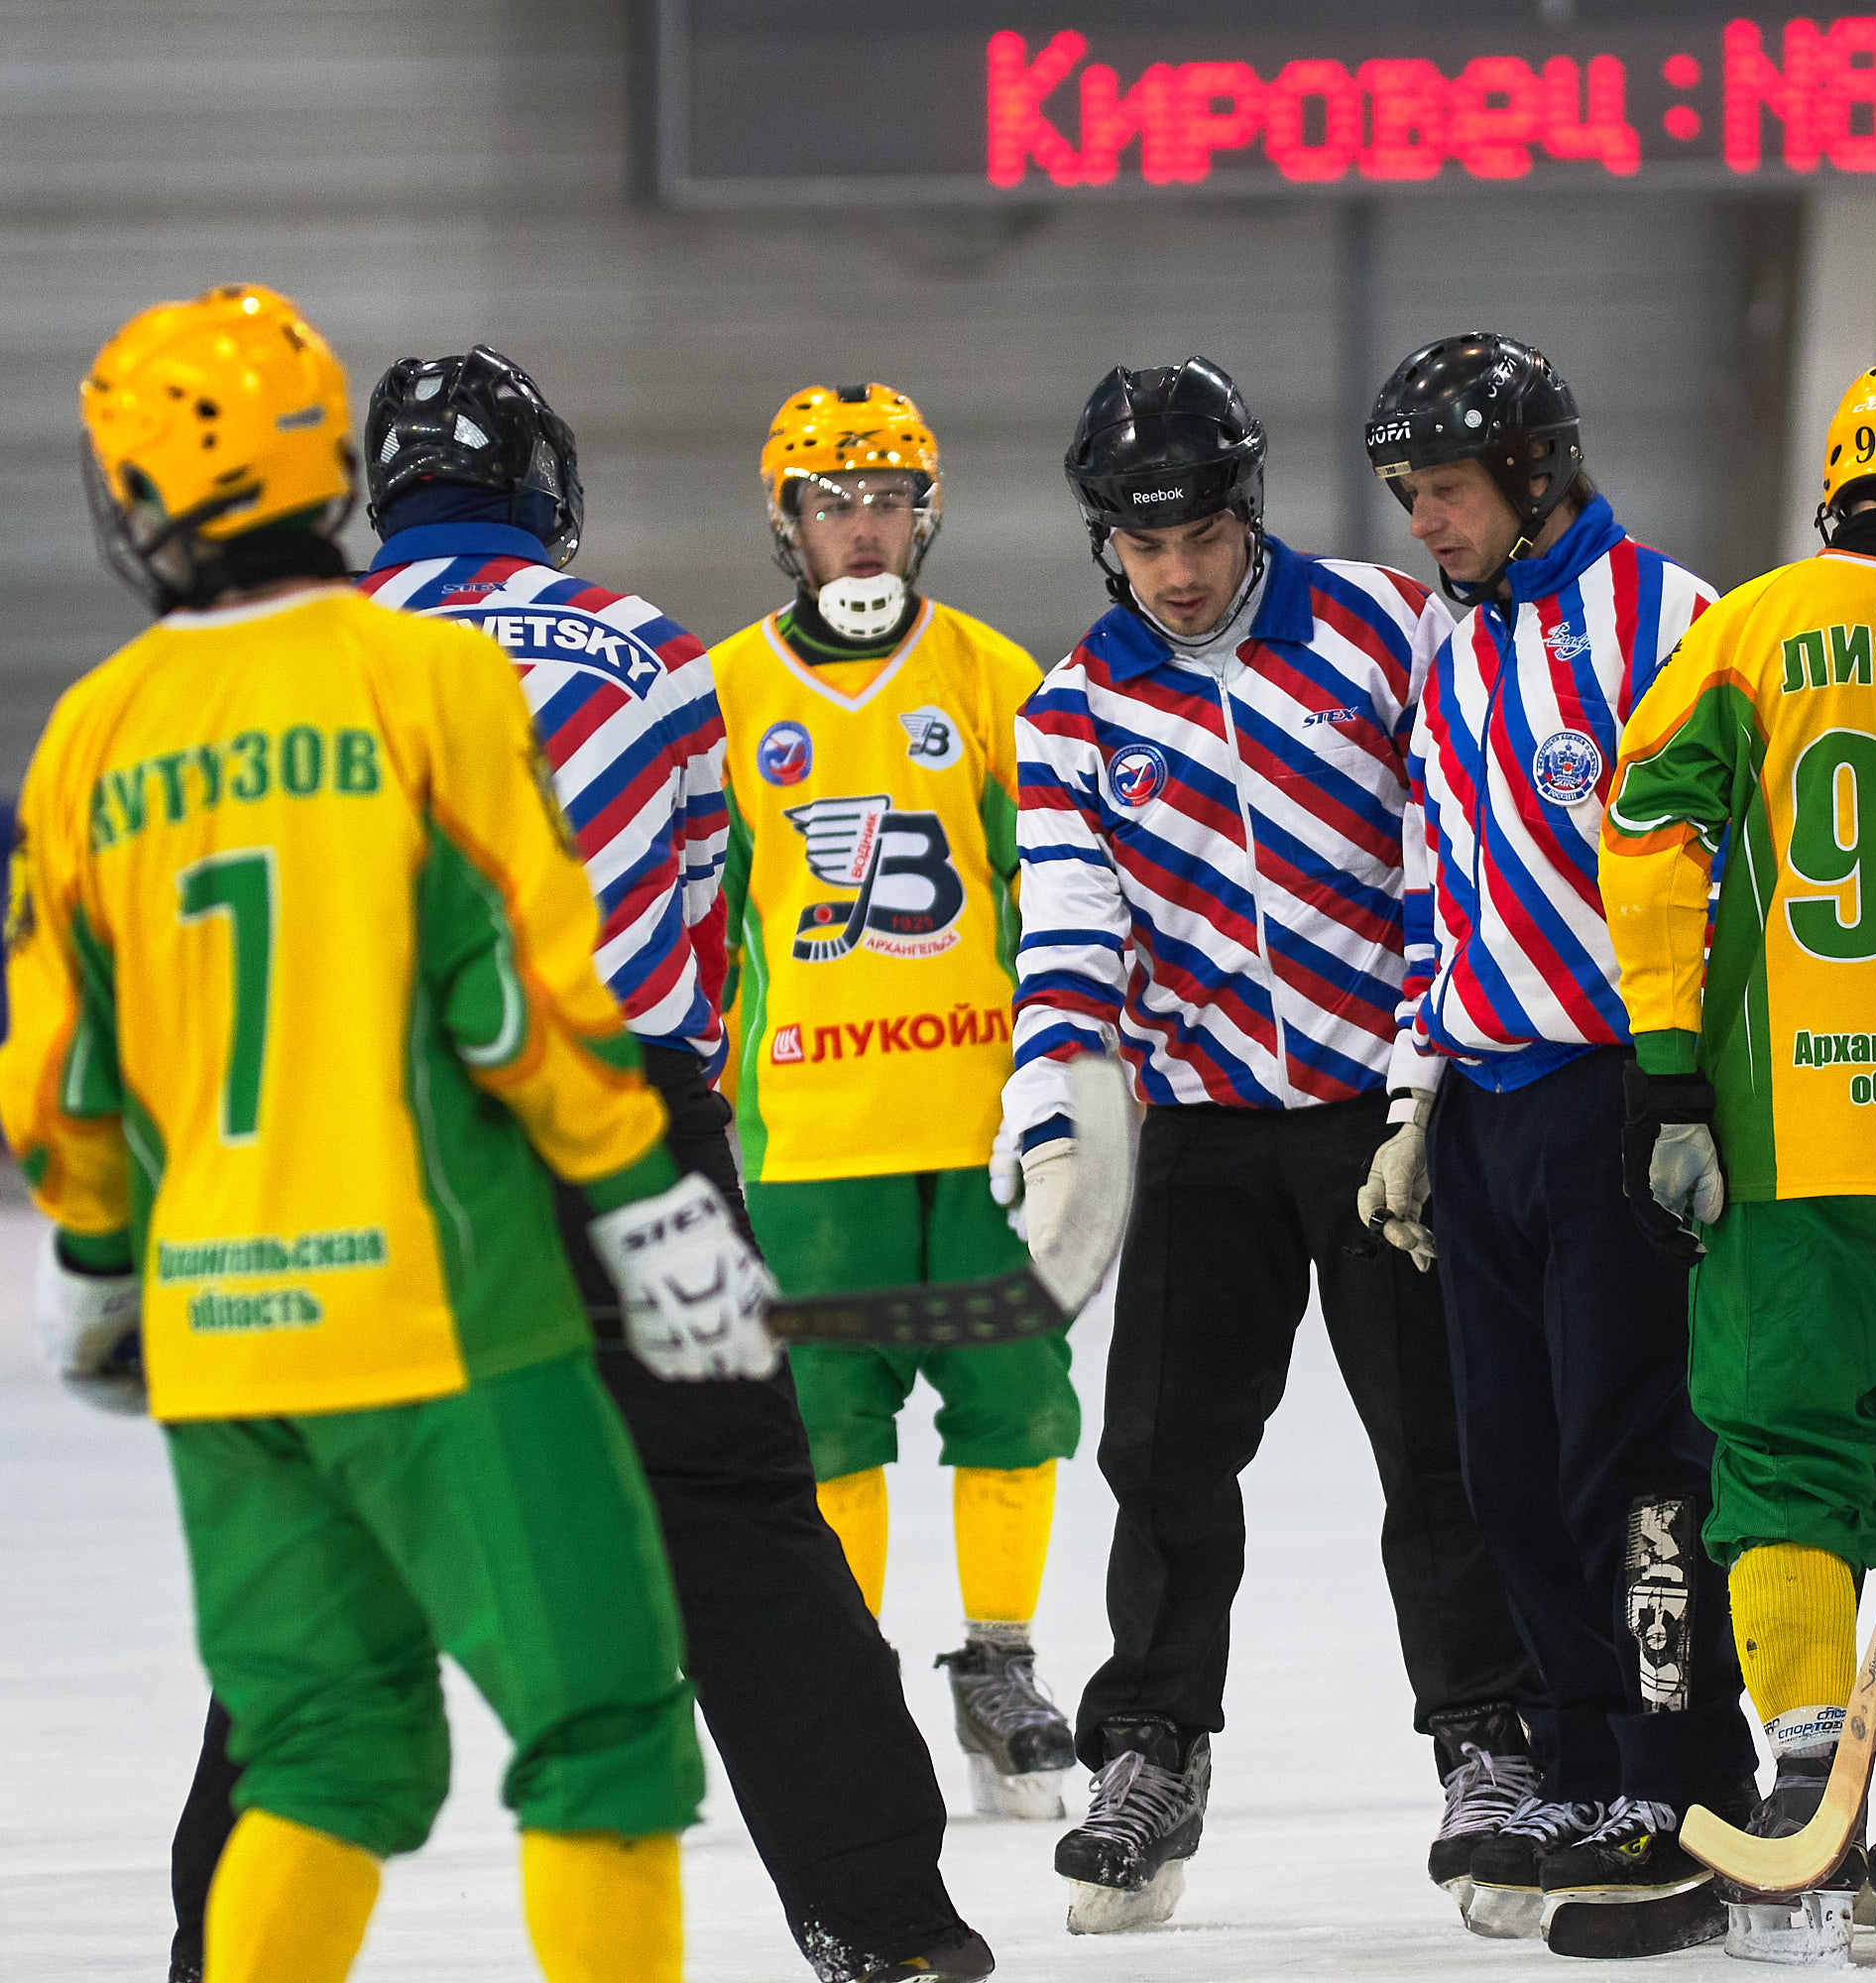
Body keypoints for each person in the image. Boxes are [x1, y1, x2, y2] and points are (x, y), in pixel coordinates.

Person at [10, 284, 773, 1983]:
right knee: (598, 1739)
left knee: (326, 1755)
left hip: (222, 1332)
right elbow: (525, 990)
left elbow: (58, 1077)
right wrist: (650, 1211)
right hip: (444, 1317)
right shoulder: (418, 676)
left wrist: (92, 1268)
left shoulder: (90, 735)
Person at [1003, 354, 1540, 1932]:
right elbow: (1069, 933)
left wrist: (1434, 1062)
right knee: (1165, 1455)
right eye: (1141, 543)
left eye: (1199, 537)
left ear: (1248, 514)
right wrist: (1053, 1109)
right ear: (1108, 540)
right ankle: (1152, 1748)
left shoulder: (1390, 626)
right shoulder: (1073, 706)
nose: (1175, 573)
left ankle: (1490, 1742)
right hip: (1205, 1125)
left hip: (1389, 1111)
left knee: (1439, 1444)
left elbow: (1461, 839)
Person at [1599, 354, 1876, 1963]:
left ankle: (1802, 1797)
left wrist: (1663, 1072)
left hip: (1799, 1118)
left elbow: (1646, 833)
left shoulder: (1756, 626)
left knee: (1784, 1447)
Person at [1366, 330, 1758, 1952]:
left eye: (1445, 490)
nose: (1424, 525)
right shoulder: (1453, 645)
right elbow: (1437, 881)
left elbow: (1745, 864)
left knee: (1636, 1467)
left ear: (1533, 472)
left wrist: (1703, 1090)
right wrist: (1418, 1092)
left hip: (1622, 1101)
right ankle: (1588, 1766)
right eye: (1406, 496)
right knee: (1508, 1470)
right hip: (1492, 1105)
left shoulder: (1671, 619)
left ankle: (1685, 1789)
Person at [707, 383, 1082, 1822]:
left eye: (885, 504)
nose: (860, 531)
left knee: (1011, 1405)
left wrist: (1059, 1087)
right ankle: (846, 1674)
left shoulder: (993, 675)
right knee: (829, 1425)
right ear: (787, 523)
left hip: (977, 1128)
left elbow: (1053, 894)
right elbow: (705, 914)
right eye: (831, 505)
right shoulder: (729, 690)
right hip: (808, 1138)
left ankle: (999, 1665)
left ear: (924, 519)